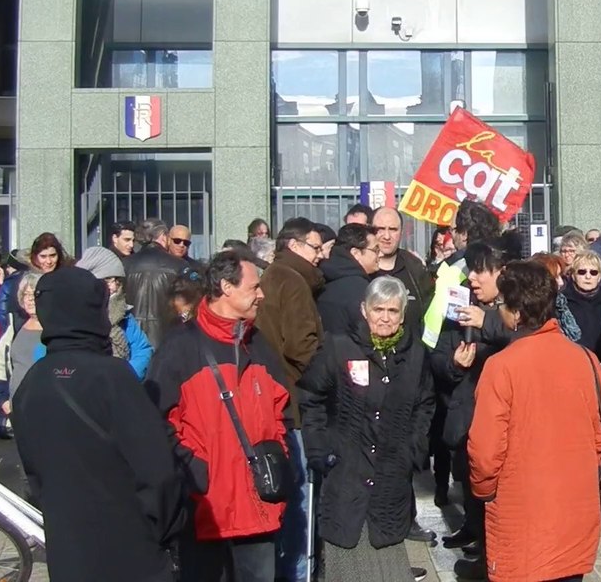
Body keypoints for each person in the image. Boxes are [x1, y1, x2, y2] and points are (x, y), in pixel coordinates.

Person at [13, 266, 187, 582]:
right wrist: (166, 530)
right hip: (132, 549)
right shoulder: (113, 377)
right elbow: (158, 472)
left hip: (69, 551)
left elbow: (34, 475)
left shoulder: (32, 382)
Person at [145, 251, 291, 582]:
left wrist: (277, 454)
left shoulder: (258, 345)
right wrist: (195, 470)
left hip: (259, 506)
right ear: (226, 286)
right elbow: (154, 422)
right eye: (255, 287)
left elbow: (282, 412)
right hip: (205, 511)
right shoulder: (180, 348)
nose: (262, 294)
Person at [467, 261, 601, 582]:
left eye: (501, 304)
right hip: (577, 507)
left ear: (516, 313)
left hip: (523, 511)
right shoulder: (585, 359)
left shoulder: (501, 367)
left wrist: (485, 490)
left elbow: (485, 452)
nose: (498, 310)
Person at [299, 276, 435, 582]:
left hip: (390, 477)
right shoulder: (339, 347)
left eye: (393, 311)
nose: (385, 317)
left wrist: (413, 449)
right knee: (346, 560)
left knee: (389, 566)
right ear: (364, 310)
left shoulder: (414, 354)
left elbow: (425, 404)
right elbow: (310, 397)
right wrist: (320, 448)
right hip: (346, 471)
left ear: (403, 315)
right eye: (378, 309)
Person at [430, 236, 521, 580]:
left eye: (482, 272)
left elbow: (528, 341)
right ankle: (480, 544)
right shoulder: (458, 304)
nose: (474, 279)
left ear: (503, 272)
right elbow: (436, 356)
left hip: (508, 420)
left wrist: (489, 323)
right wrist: (453, 364)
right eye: (472, 272)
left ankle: (498, 559)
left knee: (503, 496)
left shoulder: (518, 306)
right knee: (472, 484)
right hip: (468, 415)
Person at [255, 218, 326, 582]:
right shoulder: (293, 282)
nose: (320, 255)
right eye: (315, 247)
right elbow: (302, 347)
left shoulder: (272, 277)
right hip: (293, 402)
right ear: (295, 246)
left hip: (274, 399)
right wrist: (328, 376)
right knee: (298, 501)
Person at [42, 246, 154, 379]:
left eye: (116, 281)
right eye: (106, 280)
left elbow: (142, 349)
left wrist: (127, 375)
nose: (112, 287)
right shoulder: (69, 315)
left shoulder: (124, 315)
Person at [126, 219, 191, 348]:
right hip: (166, 339)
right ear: (163, 236)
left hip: (131, 338)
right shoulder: (179, 265)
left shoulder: (125, 264)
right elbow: (187, 305)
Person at [0, 272, 42, 437]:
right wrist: (2, 399)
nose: (29, 298)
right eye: (25, 294)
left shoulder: (56, 327)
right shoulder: (16, 325)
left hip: (48, 409)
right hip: (19, 410)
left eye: (34, 294)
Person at [372, 207, 435, 326]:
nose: (387, 236)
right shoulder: (361, 268)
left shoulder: (414, 266)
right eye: (380, 229)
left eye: (393, 229)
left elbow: (429, 309)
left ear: (401, 232)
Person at [317, 223, 382, 334]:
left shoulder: (321, 278)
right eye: (375, 250)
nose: (379, 255)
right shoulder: (362, 290)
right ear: (355, 253)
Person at [561, 250, 601, 351]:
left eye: (593, 272)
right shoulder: (562, 304)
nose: (588, 277)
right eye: (582, 272)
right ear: (573, 275)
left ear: (599, 276)